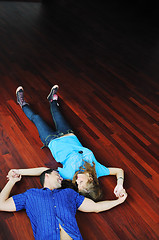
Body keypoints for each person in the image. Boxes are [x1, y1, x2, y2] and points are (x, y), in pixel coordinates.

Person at [13, 85, 125, 201]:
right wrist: (119, 185)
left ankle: (22, 103)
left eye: (77, 185)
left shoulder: (69, 175)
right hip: (68, 134)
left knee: (36, 118)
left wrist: (20, 171)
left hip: (51, 140)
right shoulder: (98, 170)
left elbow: (43, 171)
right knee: (56, 112)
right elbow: (119, 171)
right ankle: (52, 99)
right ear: (91, 180)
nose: (76, 181)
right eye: (81, 182)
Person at [0, 168, 127, 240]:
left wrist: (119, 201)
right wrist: (12, 181)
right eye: (57, 175)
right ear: (47, 176)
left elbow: (96, 207)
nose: (61, 178)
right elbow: (1, 204)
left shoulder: (69, 193)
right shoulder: (30, 195)